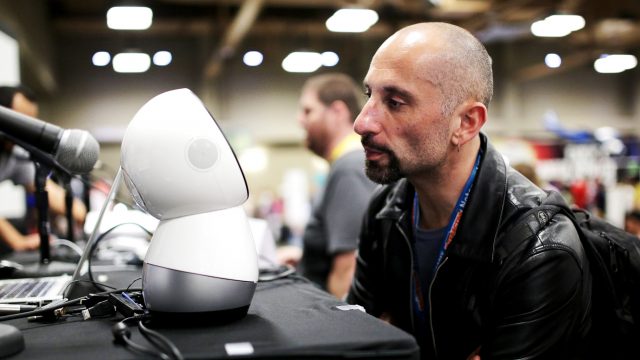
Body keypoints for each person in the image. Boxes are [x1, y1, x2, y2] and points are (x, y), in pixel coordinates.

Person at [346, 23, 591, 359]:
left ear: (466, 123)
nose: (362, 122)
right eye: (369, 95)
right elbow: (355, 343)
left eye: (395, 102)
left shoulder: (539, 246)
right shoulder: (386, 209)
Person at [279, 73, 376, 299]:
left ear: (337, 112)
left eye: (308, 111)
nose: (299, 119)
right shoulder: (345, 166)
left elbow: (347, 272)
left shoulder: (349, 168)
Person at [0, 85, 87, 252]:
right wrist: (17, 241)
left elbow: (55, 195)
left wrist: (79, 212)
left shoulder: (16, 155)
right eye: (20, 120)